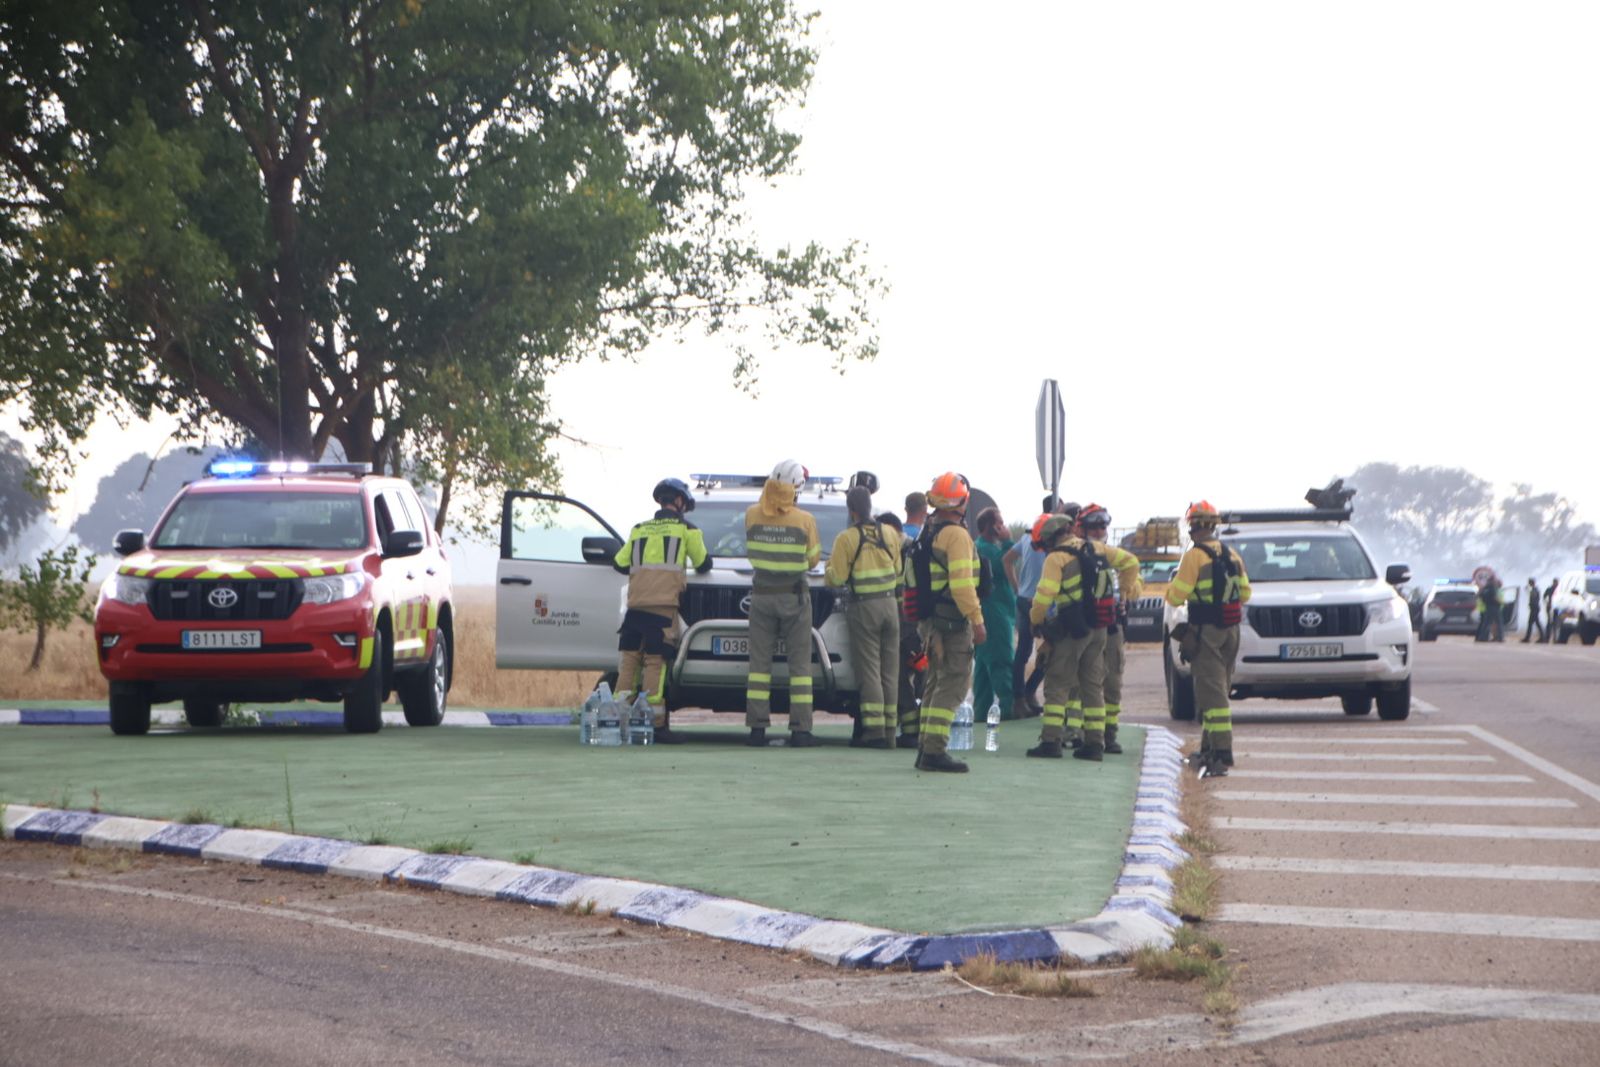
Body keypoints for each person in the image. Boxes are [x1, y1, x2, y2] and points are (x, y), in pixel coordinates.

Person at [612, 477, 712, 743]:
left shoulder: (639, 530)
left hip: (635, 608)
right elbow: (703, 564)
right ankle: (655, 725)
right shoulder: (687, 530)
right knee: (655, 663)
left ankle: (617, 722)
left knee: (629, 663)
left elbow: (619, 563)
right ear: (679, 502)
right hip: (663, 608)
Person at [1165, 500, 1249, 778]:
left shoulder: (1194, 557)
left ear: (1194, 527)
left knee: (1212, 694)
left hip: (1207, 631)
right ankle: (1208, 749)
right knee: (1217, 690)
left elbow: (1176, 597)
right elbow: (1245, 594)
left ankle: (1222, 754)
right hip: (1231, 631)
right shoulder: (1232, 555)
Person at [744, 459, 822, 747]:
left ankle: (757, 729)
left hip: (761, 596)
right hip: (794, 597)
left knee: (759, 665)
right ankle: (801, 730)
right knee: (799, 667)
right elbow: (814, 559)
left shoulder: (751, 515)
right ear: (795, 489)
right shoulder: (804, 521)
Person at [914, 472, 986, 773]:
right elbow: (961, 585)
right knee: (953, 684)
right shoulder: (956, 535)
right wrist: (977, 620)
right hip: (953, 623)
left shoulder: (928, 530)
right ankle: (934, 751)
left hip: (932, 622)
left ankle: (925, 747)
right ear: (962, 502)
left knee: (935, 684)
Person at [826, 486, 903, 749]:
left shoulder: (847, 539)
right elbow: (899, 569)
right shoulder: (890, 533)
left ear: (852, 510)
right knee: (890, 671)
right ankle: (891, 731)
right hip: (891, 606)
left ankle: (874, 732)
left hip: (864, 608)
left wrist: (827, 571)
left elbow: (836, 578)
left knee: (869, 670)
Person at [1073, 503, 1143, 755]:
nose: (1101, 529)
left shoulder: (1115, 557)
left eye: (1103, 524)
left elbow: (1135, 580)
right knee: (1085, 683)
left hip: (1111, 627)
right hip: (1084, 627)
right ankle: (1085, 734)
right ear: (1082, 528)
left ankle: (1108, 735)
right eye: (1095, 525)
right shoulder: (1074, 553)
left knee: (1111, 682)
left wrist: (1123, 593)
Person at [1003, 496, 1073, 718]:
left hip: (1024, 599)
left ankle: (1020, 699)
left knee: (1023, 652)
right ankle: (1030, 691)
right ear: (1058, 510)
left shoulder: (1029, 534)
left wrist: (1017, 586)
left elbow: (1007, 559)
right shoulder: (1054, 538)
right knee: (1051, 648)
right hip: (1045, 601)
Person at [880, 511, 926, 747]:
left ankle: (912, 729)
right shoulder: (913, 549)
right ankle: (916, 728)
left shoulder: (903, 550)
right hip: (911, 622)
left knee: (903, 674)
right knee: (918, 672)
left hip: (905, 623)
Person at [1522, 577, 1546, 643]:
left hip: (1534, 609)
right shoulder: (1534, 589)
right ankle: (1528, 638)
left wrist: (1528, 590)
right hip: (1534, 608)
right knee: (1531, 623)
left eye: (1529, 582)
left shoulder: (1535, 589)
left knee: (1536, 623)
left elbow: (1533, 596)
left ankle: (1542, 637)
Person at [1544, 577, 1559, 643]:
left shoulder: (1559, 590)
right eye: (1555, 582)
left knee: (1555, 624)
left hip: (1556, 609)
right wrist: (1547, 603)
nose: (1555, 583)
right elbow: (1544, 597)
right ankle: (1547, 638)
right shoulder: (1549, 589)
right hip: (1550, 608)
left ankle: (1555, 638)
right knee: (1549, 623)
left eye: (1556, 582)